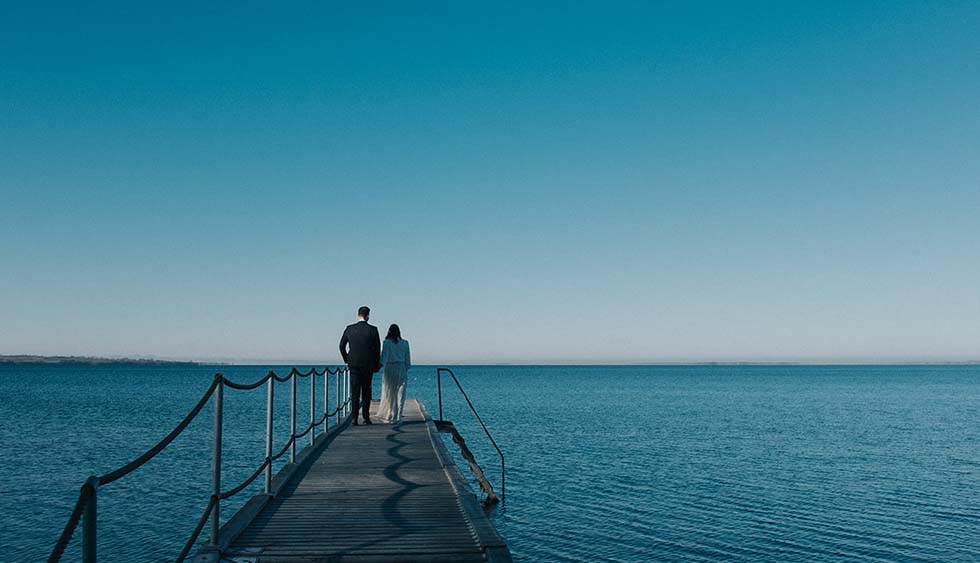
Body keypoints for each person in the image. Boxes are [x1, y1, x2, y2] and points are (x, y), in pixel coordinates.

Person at [339, 306, 381, 425]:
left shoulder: (349, 329)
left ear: (358, 315)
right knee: (366, 391)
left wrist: (347, 359)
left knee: (355, 391)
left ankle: (354, 418)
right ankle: (366, 417)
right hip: (368, 365)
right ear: (368, 315)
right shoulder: (373, 330)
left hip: (354, 364)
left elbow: (341, 345)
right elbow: (377, 349)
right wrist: (376, 364)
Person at [376, 324, 411, 424]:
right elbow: (407, 358)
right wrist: (406, 368)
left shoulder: (386, 342)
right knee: (401, 392)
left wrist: (379, 366)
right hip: (401, 368)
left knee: (389, 392)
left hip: (390, 368)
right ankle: (398, 416)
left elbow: (384, 356)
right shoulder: (405, 343)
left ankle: (391, 414)